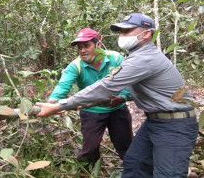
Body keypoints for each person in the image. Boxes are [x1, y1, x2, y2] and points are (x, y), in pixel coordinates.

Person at [36, 13, 198, 178]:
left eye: (127, 31)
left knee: (168, 174)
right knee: (135, 164)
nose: (122, 36)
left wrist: (59, 106)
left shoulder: (142, 59)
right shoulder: (133, 57)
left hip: (174, 124)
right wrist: (55, 100)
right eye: (120, 32)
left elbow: (107, 86)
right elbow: (65, 85)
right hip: (154, 121)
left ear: (147, 34)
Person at [48, 28, 132, 166]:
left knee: (126, 146)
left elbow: (130, 80)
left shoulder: (115, 58)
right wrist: (52, 102)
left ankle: (133, 171)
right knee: (90, 149)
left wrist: (123, 96)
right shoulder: (76, 66)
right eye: (80, 48)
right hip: (91, 112)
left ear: (98, 45)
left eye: (87, 46)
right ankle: (88, 172)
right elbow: (63, 86)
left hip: (118, 109)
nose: (82, 50)